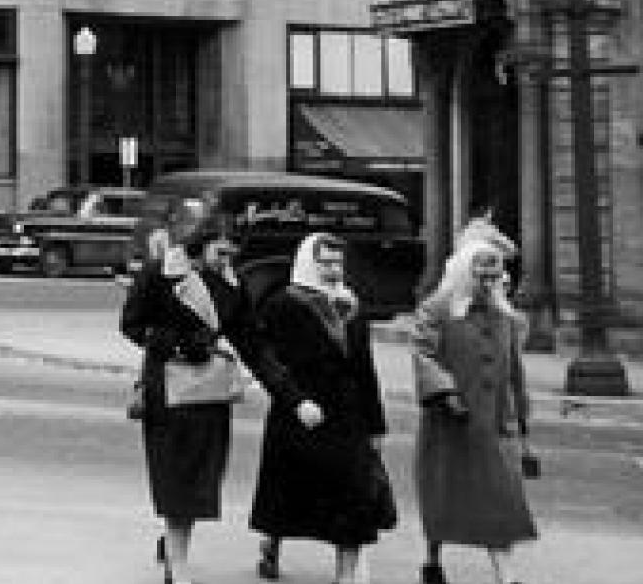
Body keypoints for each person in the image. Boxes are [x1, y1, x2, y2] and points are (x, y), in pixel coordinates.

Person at [120, 212, 262, 584]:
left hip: (210, 392)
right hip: (167, 390)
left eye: (232, 254)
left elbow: (252, 340)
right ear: (202, 244)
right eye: (221, 252)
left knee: (199, 479)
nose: (226, 261)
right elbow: (131, 324)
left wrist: (287, 390)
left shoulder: (231, 284)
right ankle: (178, 566)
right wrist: (177, 343)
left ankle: (174, 543)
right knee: (175, 476)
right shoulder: (158, 274)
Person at [246, 233, 395, 584]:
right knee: (289, 491)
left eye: (337, 263)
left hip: (347, 416)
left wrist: (376, 425)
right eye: (324, 262)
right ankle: (272, 541)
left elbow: (364, 369)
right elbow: (270, 361)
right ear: (308, 263)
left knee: (352, 494)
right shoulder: (283, 304)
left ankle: (347, 573)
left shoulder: (351, 306)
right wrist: (294, 401)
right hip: (301, 414)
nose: (332, 270)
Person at [411, 239, 537, 584]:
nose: (488, 283)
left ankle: (506, 576)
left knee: (501, 498)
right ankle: (433, 559)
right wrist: (444, 390)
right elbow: (423, 352)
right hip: (450, 422)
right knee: (442, 495)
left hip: (495, 422)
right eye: (481, 276)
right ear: (465, 273)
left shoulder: (505, 317)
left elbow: (515, 373)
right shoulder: (438, 308)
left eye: (494, 277)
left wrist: (523, 426)